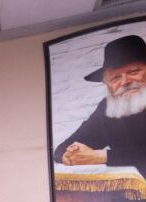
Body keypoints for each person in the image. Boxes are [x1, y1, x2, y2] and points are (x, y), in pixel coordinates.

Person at [54, 35, 146, 174]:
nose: (125, 81)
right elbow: (63, 148)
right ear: (107, 84)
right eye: (115, 77)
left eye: (133, 71)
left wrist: (101, 156)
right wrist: (70, 154)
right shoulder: (109, 108)